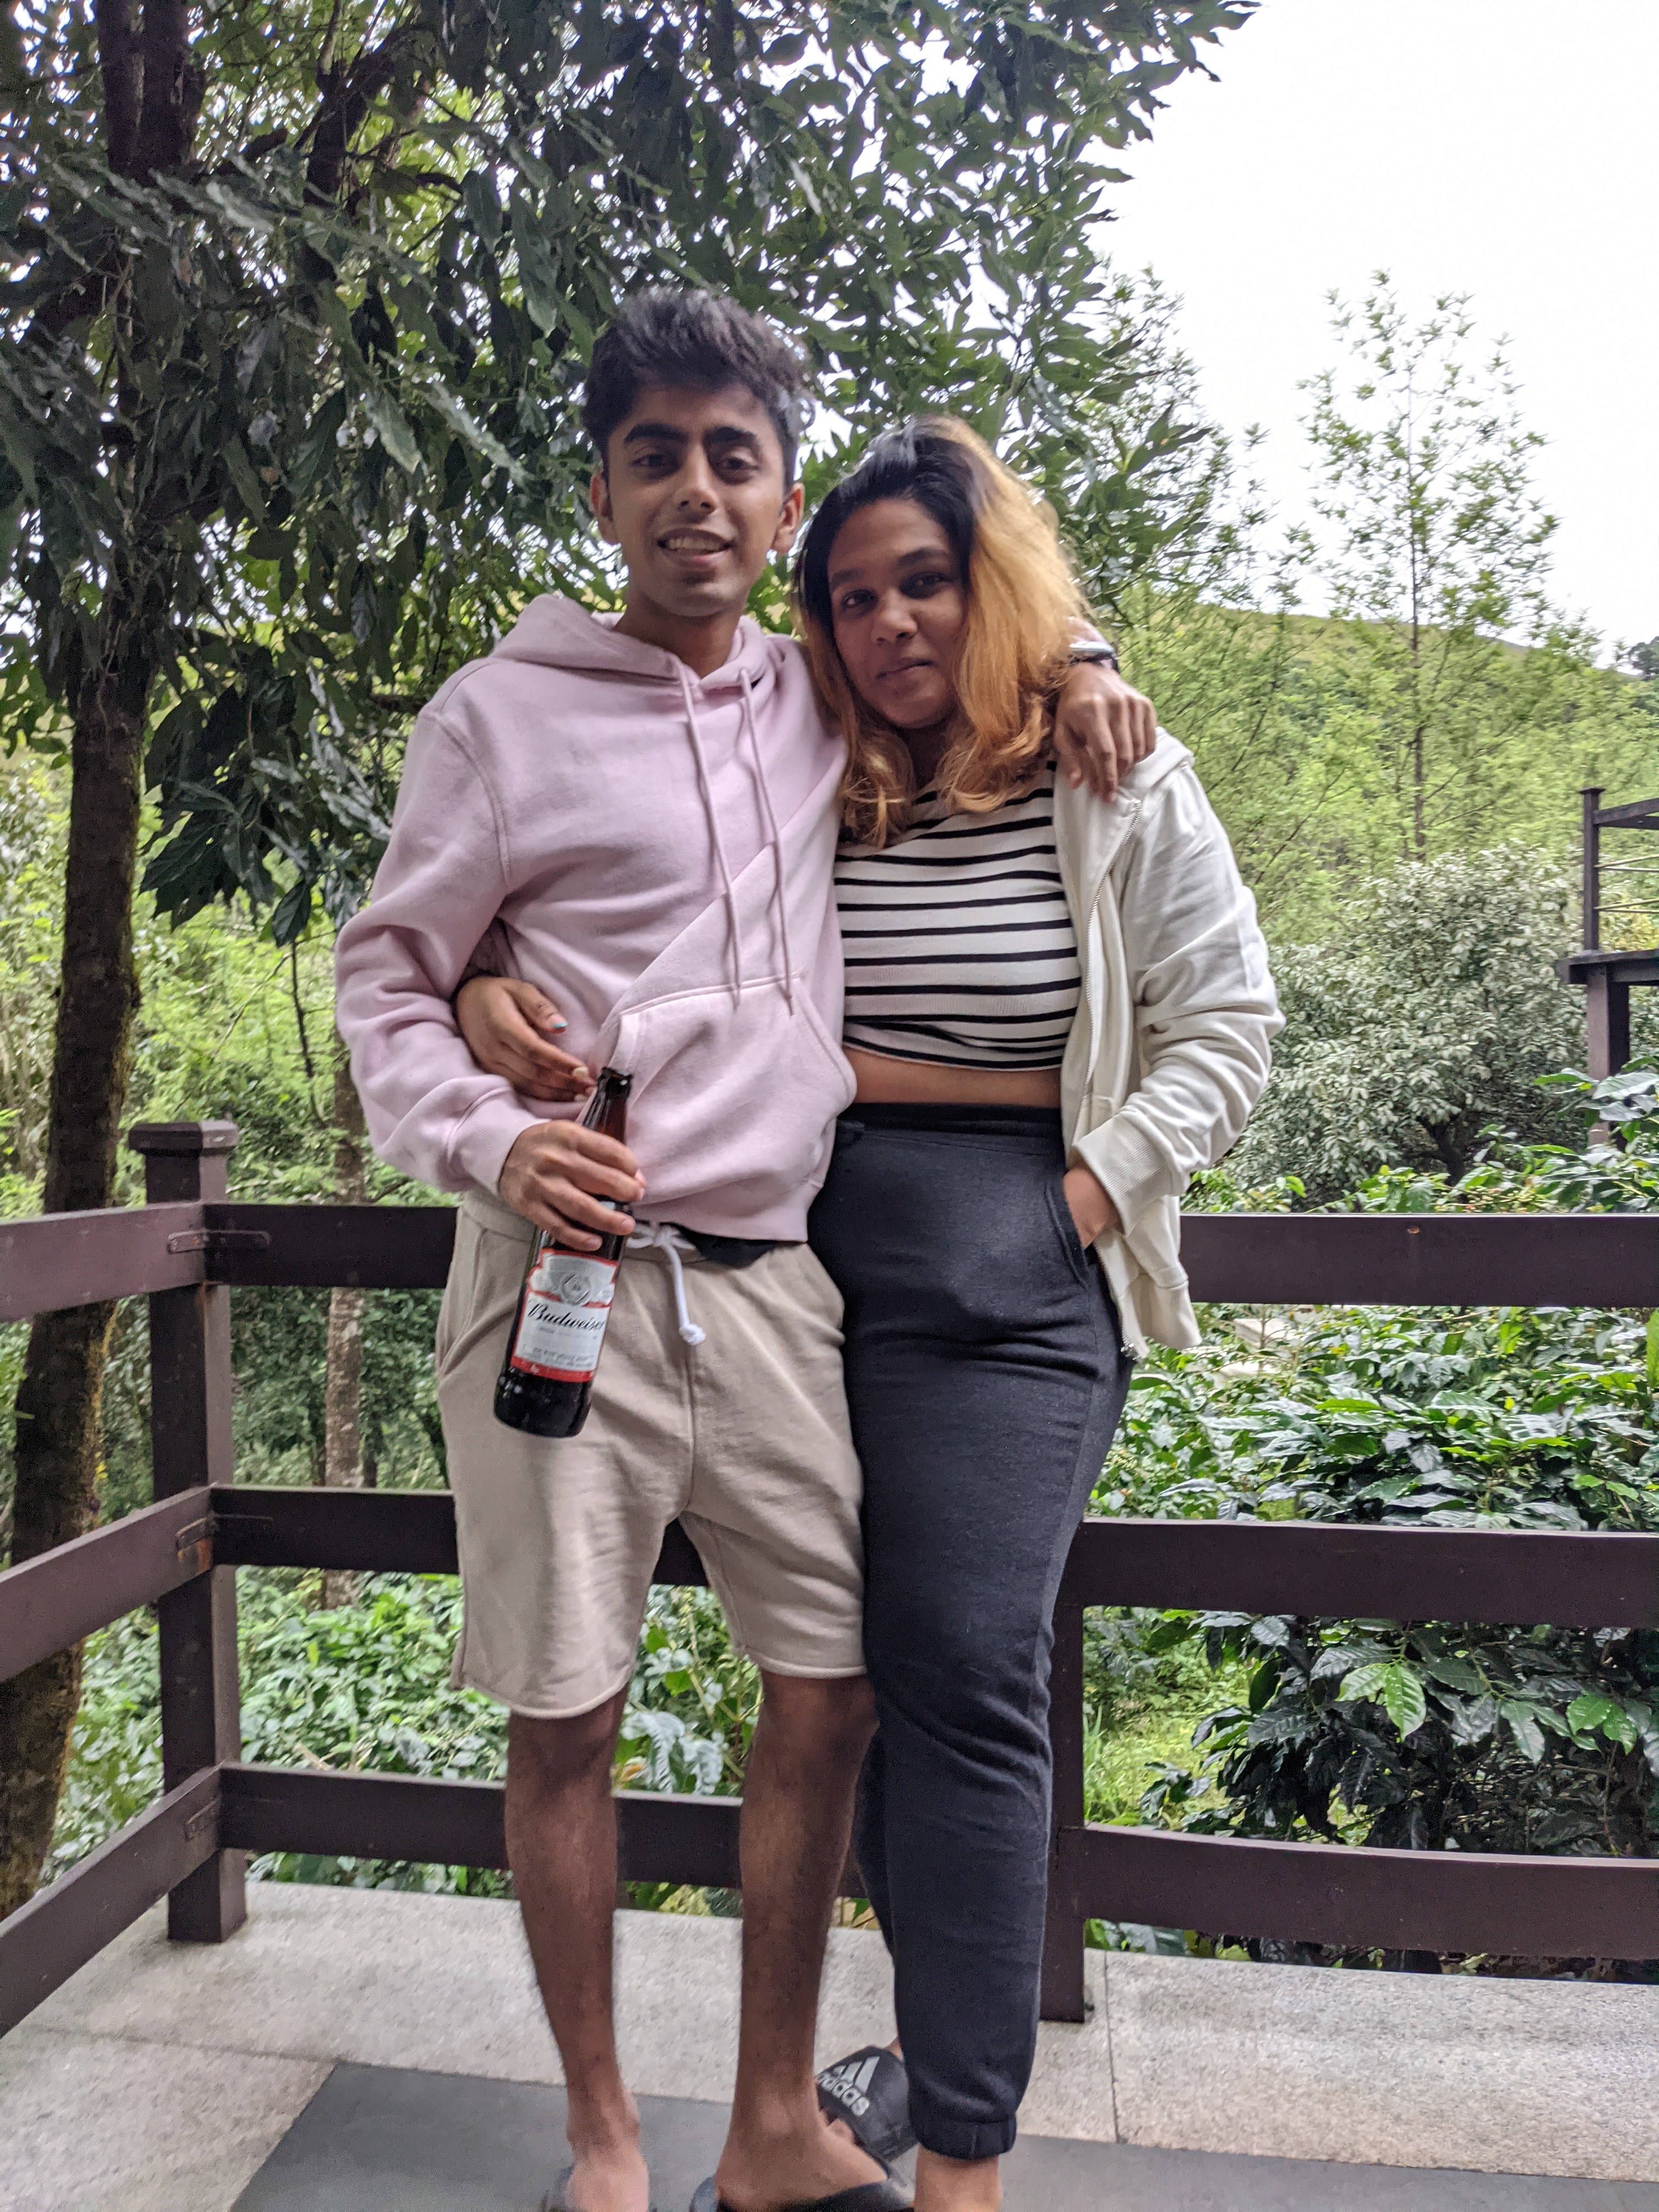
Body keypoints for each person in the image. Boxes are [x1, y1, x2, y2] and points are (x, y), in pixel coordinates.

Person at [335, 291, 1155, 2212]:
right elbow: (387, 978)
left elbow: (965, 623)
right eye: (655, 456)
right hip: (565, 1285)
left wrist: (1091, 654)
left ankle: (775, 2122)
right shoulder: (494, 720)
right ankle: (605, 2136)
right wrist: (486, 1116)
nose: (694, 491)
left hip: (784, 1285)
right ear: (603, 496)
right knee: (569, 1715)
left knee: (839, 1687)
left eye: (733, 456)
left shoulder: (819, 692)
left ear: (782, 503)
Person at [458, 417, 1278, 2212]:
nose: (891, 620)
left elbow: (1232, 1026)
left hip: (1009, 1287)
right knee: (860, 1683)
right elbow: (641, 876)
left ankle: (963, 2159)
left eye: (929, 582)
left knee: (966, 1670)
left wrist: (1079, 1196)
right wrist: (481, 976)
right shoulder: (818, 761)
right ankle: (867, 2092)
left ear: (998, 591)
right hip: (805, 1275)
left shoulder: (1113, 774)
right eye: (853, 595)